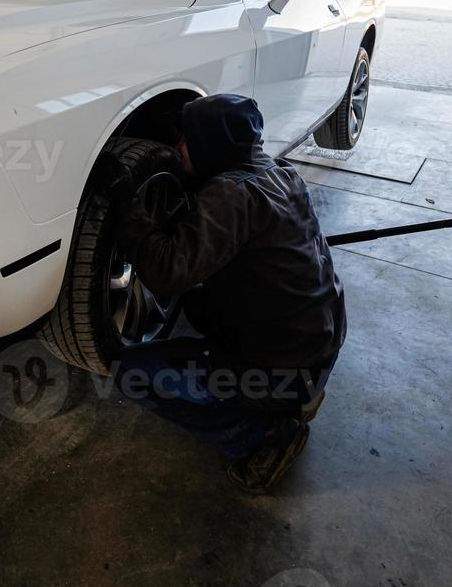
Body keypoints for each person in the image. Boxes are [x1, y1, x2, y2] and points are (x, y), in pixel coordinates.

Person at [110, 94, 345, 494]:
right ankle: (290, 395)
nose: (178, 146)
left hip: (283, 365)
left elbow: (166, 272)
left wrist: (125, 207)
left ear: (210, 143)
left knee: (130, 373)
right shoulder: (282, 174)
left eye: (187, 139)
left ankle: (262, 434)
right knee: (200, 304)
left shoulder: (230, 195)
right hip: (319, 343)